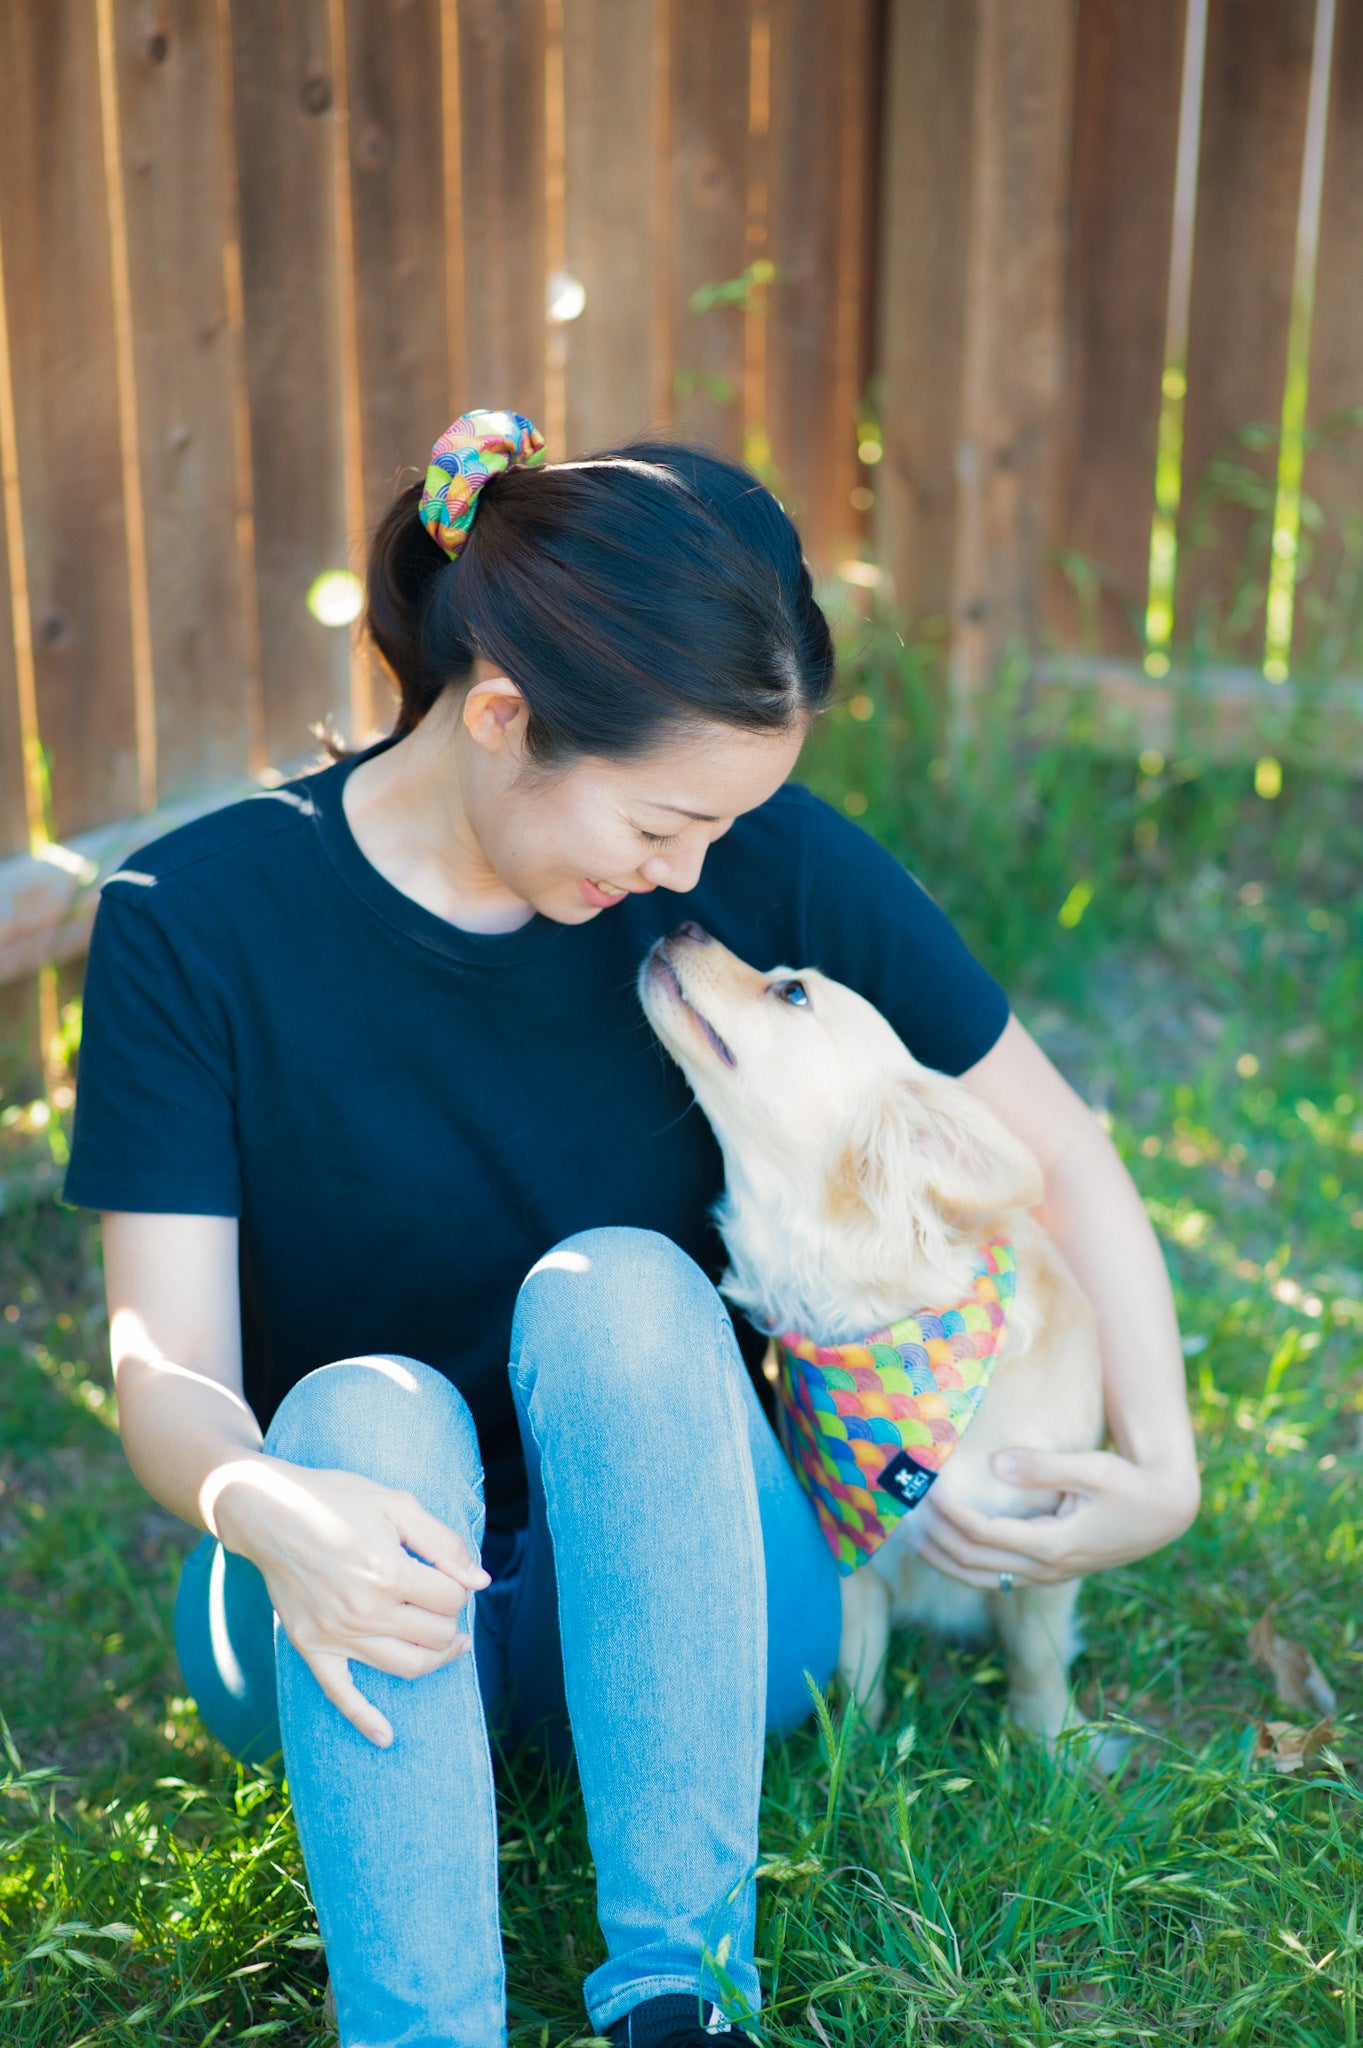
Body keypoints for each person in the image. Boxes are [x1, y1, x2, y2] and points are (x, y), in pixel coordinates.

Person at [61, 409, 1199, 2048]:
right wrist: (268, 1505)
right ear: (506, 716)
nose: (695, 873)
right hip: (348, 1603)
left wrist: (1162, 1472)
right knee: (356, 1409)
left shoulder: (746, 866)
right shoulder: (196, 923)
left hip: (700, 1593)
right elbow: (167, 1368)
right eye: (662, 826)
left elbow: (1065, 1158)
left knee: (624, 1290)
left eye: (723, 831)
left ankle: (686, 1995)